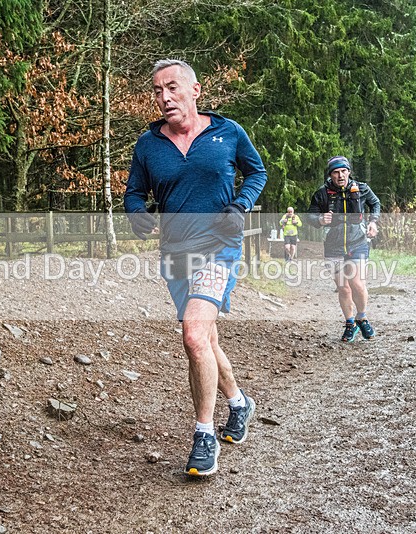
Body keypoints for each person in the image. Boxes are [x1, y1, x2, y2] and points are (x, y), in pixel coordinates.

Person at [124, 59, 267, 477]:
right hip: (176, 253)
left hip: (219, 246)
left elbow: (256, 172)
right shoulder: (148, 145)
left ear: (195, 91)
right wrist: (137, 213)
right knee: (205, 338)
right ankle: (239, 403)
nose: (163, 97)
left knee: (192, 336)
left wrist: (240, 205)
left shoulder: (228, 132)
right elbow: (134, 193)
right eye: (156, 90)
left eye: (171, 87)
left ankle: (204, 436)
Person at [307, 156, 381, 343]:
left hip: (358, 242)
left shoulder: (361, 188)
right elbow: (311, 217)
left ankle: (361, 316)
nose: (340, 175)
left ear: (349, 171)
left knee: (357, 284)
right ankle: (350, 323)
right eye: (336, 172)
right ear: (331, 174)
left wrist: (373, 222)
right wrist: (320, 220)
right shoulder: (322, 194)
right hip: (333, 246)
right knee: (343, 288)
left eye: (343, 171)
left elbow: (375, 203)